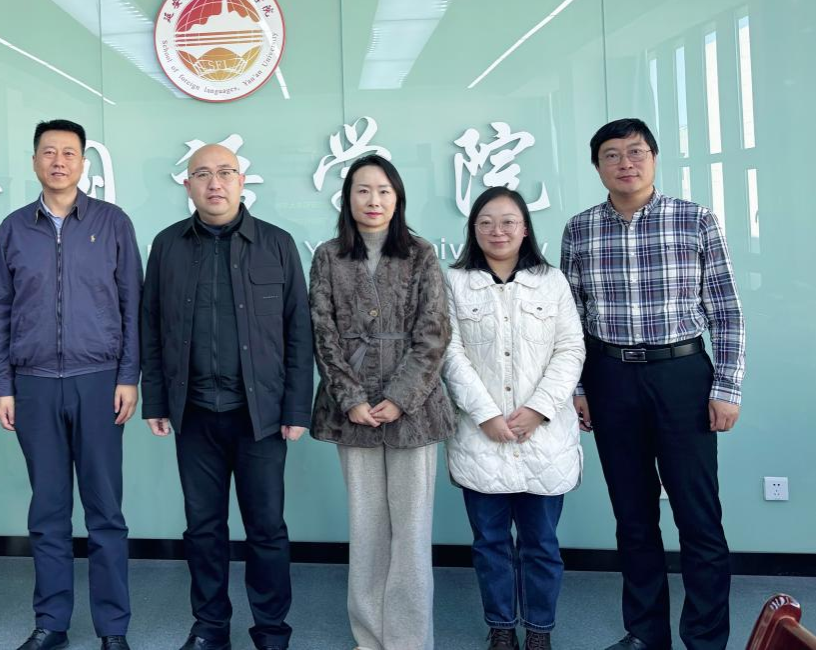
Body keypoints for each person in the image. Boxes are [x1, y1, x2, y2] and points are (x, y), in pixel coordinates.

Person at [561, 118, 744, 650]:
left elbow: (726, 311)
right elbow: (571, 319)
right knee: (633, 516)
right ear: (597, 166)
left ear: (654, 158)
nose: (626, 163)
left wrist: (727, 387)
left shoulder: (695, 219)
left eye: (636, 151)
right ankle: (645, 634)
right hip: (610, 376)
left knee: (698, 515)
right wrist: (578, 388)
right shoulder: (579, 229)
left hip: (682, 375)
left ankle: (705, 639)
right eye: (612, 155)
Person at [141, 142, 313, 650]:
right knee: (203, 528)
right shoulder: (168, 245)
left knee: (266, 528)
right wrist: (156, 400)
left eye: (225, 173)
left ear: (241, 181)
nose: (214, 183)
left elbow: (299, 331)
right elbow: (151, 326)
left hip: (261, 415)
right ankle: (210, 626)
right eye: (202, 174)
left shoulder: (276, 243)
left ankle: (271, 630)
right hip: (193, 412)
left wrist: (296, 408)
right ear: (187, 185)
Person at [0, 119, 142, 650]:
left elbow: (132, 303)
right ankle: (51, 622)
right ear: (34, 161)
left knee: (105, 512)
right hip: (33, 385)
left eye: (69, 152)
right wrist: (3, 385)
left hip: (98, 381)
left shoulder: (112, 222)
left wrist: (128, 376)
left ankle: (112, 628)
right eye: (49, 152)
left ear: (83, 162)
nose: (59, 161)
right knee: (48, 511)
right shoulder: (13, 228)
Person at [308, 154, 453, 650]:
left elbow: (434, 333)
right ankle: (369, 637)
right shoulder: (328, 256)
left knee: (410, 533)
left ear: (398, 198)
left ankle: (409, 640)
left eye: (384, 191)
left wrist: (399, 397)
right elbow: (323, 333)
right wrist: (350, 397)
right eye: (363, 190)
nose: (374, 200)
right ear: (348, 198)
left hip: (415, 411)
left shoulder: (421, 253)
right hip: (351, 413)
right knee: (367, 530)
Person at [441, 187, 585, 650]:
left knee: (541, 544)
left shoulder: (552, 281)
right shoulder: (454, 281)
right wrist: (485, 414)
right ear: (473, 229)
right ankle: (501, 627)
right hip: (480, 437)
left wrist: (539, 409)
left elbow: (570, 349)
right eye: (486, 222)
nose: (497, 231)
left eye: (508, 221)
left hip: (544, 437)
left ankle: (539, 631)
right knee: (490, 544)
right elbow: (449, 353)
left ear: (525, 228)